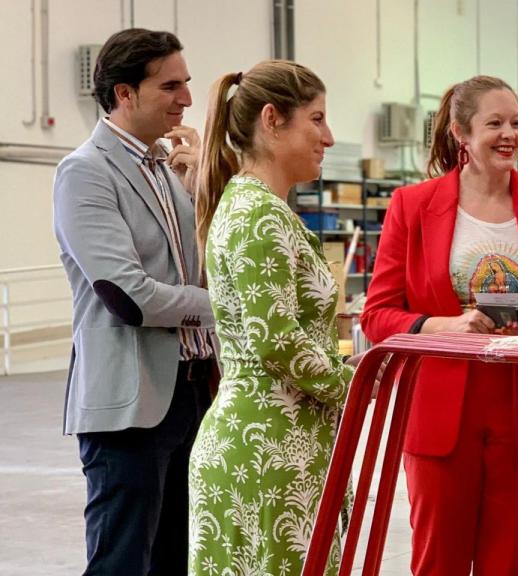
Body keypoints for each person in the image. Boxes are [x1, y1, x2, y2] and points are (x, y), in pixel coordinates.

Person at [360, 75, 518, 575]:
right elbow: (377, 314)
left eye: (517, 123)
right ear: (462, 133)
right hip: (440, 408)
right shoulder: (413, 207)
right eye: (495, 123)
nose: (510, 134)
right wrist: (446, 326)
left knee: (508, 560)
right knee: (439, 557)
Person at [53, 28, 215, 574]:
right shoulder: (85, 172)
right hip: (129, 407)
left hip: (189, 395)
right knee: (122, 562)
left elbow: (193, 266)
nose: (186, 99)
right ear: (125, 93)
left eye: (186, 83)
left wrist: (197, 185)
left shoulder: (164, 174)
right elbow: (128, 296)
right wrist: (226, 306)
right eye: (171, 85)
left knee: (176, 559)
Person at [188, 61, 353, 574]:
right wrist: (364, 384)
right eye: (317, 119)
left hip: (276, 444)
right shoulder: (259, 214)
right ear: (272, 120)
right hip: (271, 450)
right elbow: (277, 340)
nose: (328, 136)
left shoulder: (254, 207)